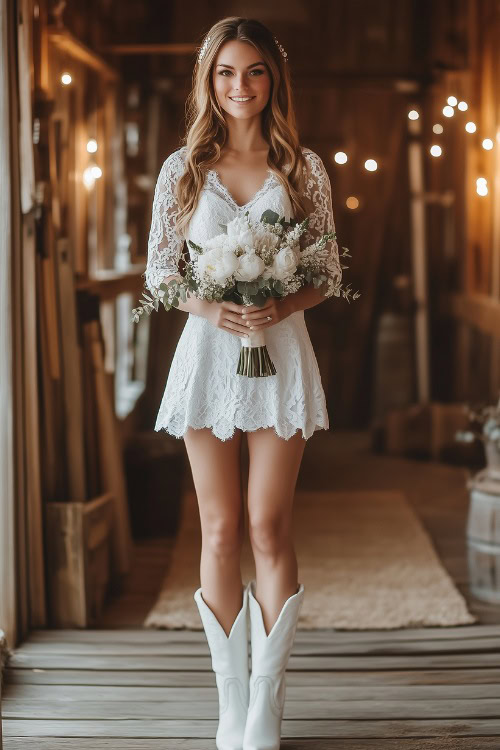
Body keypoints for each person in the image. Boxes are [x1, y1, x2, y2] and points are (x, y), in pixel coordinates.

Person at [144, 16, 342, 750]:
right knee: (220, 527)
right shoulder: (183, 169)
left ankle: (268, 705)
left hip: (280, 353)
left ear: (273, 79)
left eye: (254, 71)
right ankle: (231, 708)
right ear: (208, 80)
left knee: (268, 524)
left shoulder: (304, 167)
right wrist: (212, 302)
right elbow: (161, 274)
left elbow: (329, 273)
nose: (240, 86)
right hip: (207, 358)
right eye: (227, 72)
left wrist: (279, 301)